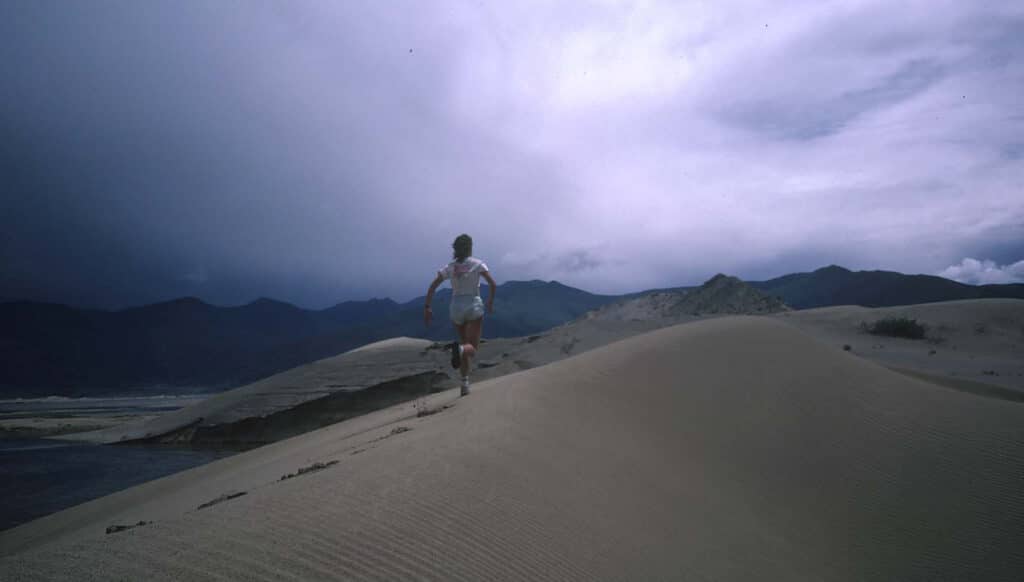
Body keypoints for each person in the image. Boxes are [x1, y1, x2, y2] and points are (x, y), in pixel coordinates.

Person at [424, 234, 495, 396]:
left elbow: (433, 286)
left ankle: (464, 384)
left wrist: (427, 307)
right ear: (470, 247)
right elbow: (492, 284)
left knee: (463, 343)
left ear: (455, 248)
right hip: (473, 304)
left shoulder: (450, 267)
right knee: (472, 348)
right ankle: (461, 350)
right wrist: (490, 302)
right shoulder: (478, 264)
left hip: (456, 306)